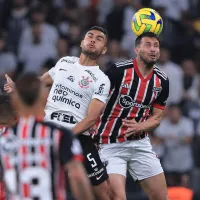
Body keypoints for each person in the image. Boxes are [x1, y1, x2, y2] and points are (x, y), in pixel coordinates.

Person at [4, 26, 111, 200]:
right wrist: (17, 87)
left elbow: (92, 118)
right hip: (49, 131)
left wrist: (67, 135)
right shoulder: (65, 62)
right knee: (49, 181)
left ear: (104, 49)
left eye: (99, 39)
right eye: (90, 36)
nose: (93, 39)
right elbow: (40, 83)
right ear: (82, 42)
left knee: (103, 194)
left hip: (78, 135)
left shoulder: (101, 79)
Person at [95, 32, 169, 200]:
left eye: (156, 46)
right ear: (136, 49)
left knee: (162, 197)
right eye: (148, 45)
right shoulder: (117, 71)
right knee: (118, 198)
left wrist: (140, 126)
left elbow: (156, 118)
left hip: (140, 144)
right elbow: (94, 99)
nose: (153, 49)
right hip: (110, 144)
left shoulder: (162, 81)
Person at [0, 73, 93, 200]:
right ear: (44, 99)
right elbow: (76, 175)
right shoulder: (59, 134)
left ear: (14, 102)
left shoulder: (5, 137)